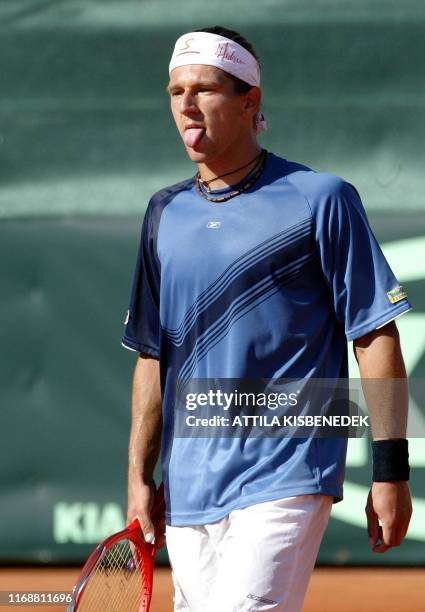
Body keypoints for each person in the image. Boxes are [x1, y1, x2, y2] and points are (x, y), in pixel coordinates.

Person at [122, 25, 413, 611]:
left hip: (287, 467)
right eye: (176, 91)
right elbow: (154, 356)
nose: (185, 104)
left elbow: (375, 335)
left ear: (249, 100)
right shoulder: (163, 213)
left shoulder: (321, 198)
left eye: (204, 89)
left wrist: (391, 470)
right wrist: (138, 474)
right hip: (189, 485)